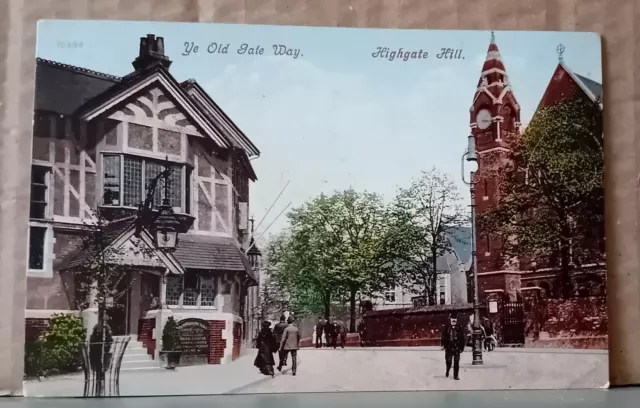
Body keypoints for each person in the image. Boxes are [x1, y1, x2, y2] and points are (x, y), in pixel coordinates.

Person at [441, 312, 467, 380]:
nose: (454, 321)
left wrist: (462, 347)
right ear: (450, 319)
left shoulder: (459, 327)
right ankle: (447, 370)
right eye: (453, 319)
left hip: (457, 347)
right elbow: (443, 336)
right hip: (449, 347)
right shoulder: (447, 327)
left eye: (455, 319)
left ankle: (456, 376)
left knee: (456, 362)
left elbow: (462, 338)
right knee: (448, 361)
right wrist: (443, 345)